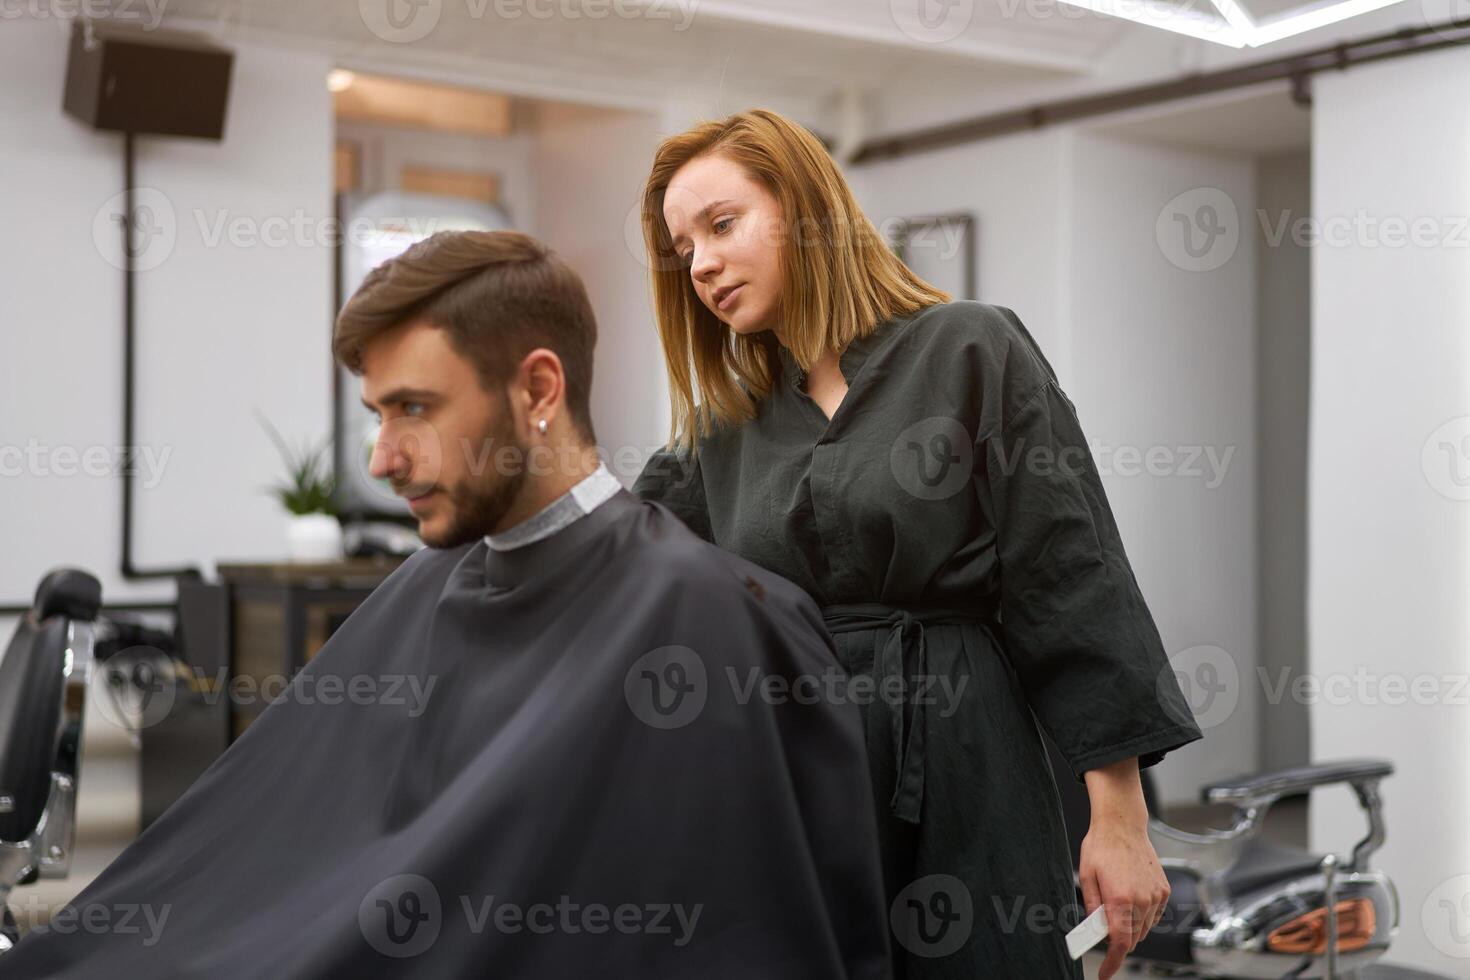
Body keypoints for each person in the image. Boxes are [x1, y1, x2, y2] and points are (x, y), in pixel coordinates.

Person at [2, 230, 893, 979]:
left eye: (414, 409)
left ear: (539, 390)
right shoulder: (428, 581)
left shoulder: (707, 618)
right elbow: (266, 849)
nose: (383, 460)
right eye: (376, 415)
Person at [631, 108, 1205, 980]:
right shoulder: (723, 435)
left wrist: (1119, 818)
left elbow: (1069, 574)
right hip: (802, 768)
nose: (702, 264)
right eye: (683, 249)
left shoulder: (971, 347)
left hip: (969, 756)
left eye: (722, 224)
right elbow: (624, 579)